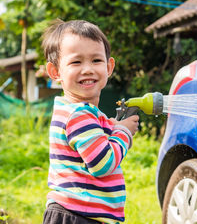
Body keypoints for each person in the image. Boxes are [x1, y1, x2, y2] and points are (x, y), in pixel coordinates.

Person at [41, 19, 139, 224]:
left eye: (96, 60)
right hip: (78, 216)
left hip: (80, 214)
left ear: (109, 66)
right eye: (76, 62)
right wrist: (124, 133)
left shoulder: (84, 113)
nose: (87, 69)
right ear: (55, 72)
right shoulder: (78, 115)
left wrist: (112, 128)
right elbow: (103, 164)